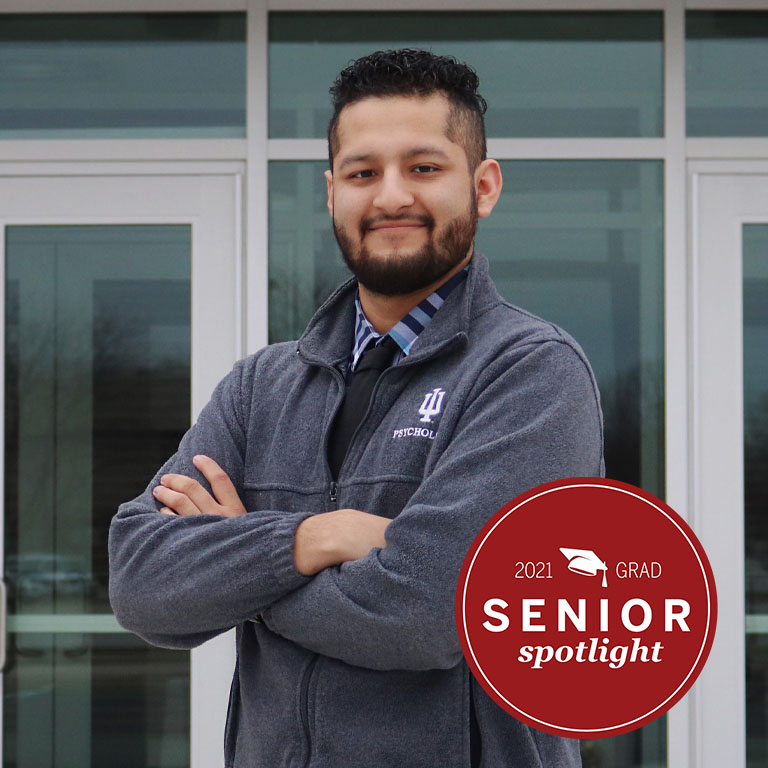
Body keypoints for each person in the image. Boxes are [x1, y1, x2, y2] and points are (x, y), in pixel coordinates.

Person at [109, 49, 603, 768]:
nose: (391, 196)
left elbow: (436, 611)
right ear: (332, 191)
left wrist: (241, 578)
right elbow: (142, 583)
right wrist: (321, 537)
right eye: (363, 172)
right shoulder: (263, 386)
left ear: (484, 187)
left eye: (424, 168)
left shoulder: (530, 370)